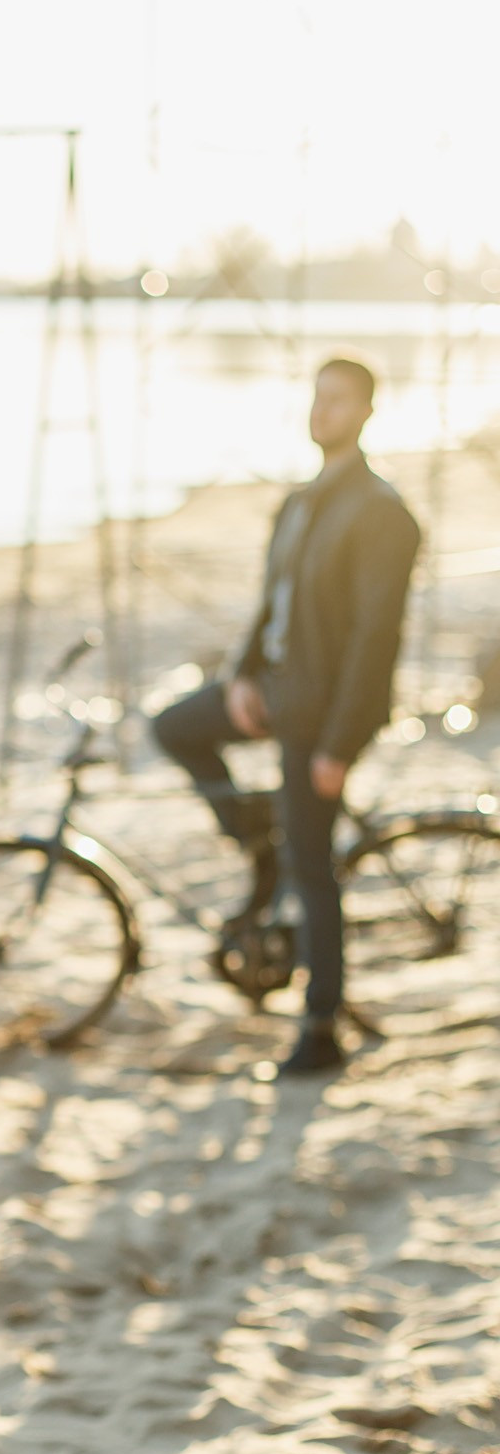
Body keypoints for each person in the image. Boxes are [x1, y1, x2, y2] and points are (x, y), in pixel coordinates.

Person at [151, 356, 421, 1076]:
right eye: (316, 396)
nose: (321, 410)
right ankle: (254, 836)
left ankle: (322, 1026)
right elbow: (268, 606)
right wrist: (240, 675)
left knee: (314, 865)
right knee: (173, 727)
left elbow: (376, 640)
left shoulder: (382, 512)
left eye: (337, 401)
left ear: (366, 413)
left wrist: (339, 744)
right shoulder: (301, 501)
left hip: (324, 716)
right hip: (272, 691)